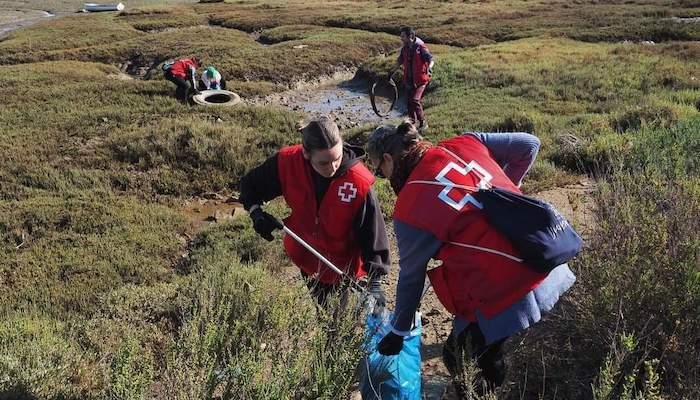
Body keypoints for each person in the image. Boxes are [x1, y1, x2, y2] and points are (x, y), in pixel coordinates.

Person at [366, 121, 575, 395]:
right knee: (469, 352)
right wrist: (507, 193)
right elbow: (529, 145)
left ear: (389, 159)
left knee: (461, 358)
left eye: (380, 171)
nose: (384, 177)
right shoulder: (467, 142)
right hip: (548, 259)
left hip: (508, 287)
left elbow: (411, 277)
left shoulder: (409, 208)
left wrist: (399, 332)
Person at [239, 116, 391, 310]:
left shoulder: (357, 183)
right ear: (306, 154)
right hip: (306, 255)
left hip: (341, 266)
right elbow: (249, 185)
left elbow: (373, 232)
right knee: (324, 312)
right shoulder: (287, 163)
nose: (333, 167)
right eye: (324, 163)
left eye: (337, 158)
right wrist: (256, 213)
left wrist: (375, 282)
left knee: (339, 319)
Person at [393, 27, 434, 132]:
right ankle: (412, 124)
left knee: (415, 100)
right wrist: (390, 73)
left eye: (403, 36)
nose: (401, 39)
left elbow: (430, 59)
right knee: (409, 102)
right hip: (409, 81)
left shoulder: (420, 48)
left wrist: (429, 67)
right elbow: (399, 61)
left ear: (410, 36)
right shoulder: (405, 49)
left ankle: (423, 122)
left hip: (420, 81)